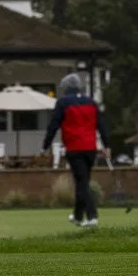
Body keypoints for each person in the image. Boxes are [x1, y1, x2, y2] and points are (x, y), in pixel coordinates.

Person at [42, 73, 110, 226]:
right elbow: (101, 125)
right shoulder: (91, 102)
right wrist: (106, 145)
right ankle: (78, 216)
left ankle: (92, 216)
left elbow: (53, 125)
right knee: (83, 181)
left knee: (81, 183)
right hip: (90, 148)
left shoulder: (63, 103)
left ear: (66, 88)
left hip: (74, 148)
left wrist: (46, 145)